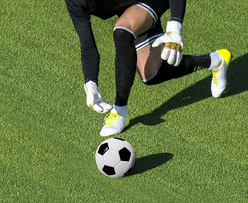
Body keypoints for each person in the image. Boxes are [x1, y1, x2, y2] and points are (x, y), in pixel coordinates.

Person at [65, 0, 232, 136]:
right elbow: (87, 46)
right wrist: (90, 84)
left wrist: (175, 27)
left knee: (122, 32)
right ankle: (215, 61)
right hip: (130, 8)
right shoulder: (75, 2)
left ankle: (119, 112)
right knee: (151, 74)